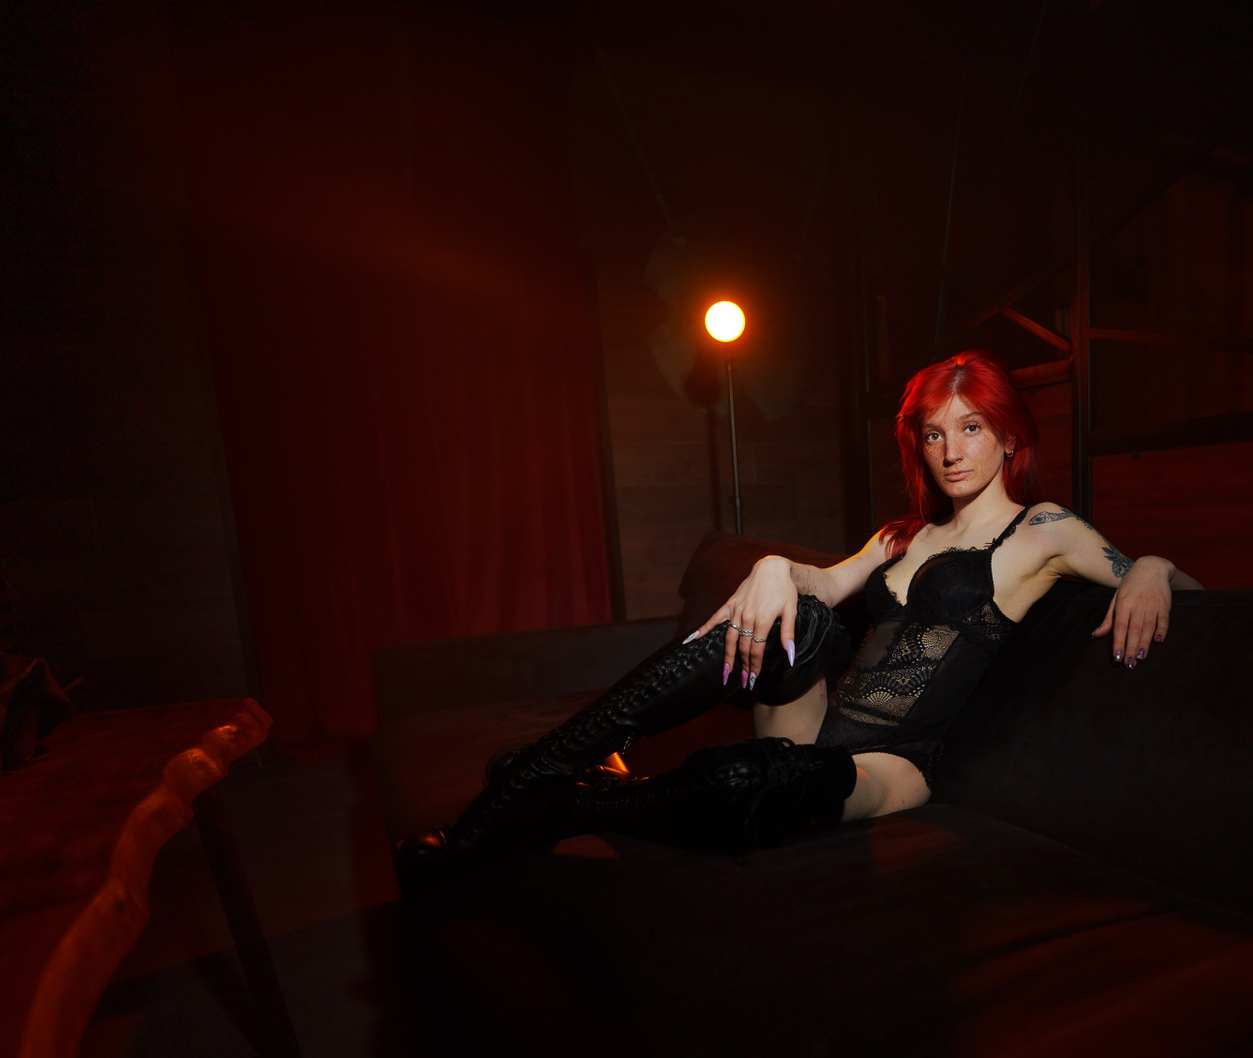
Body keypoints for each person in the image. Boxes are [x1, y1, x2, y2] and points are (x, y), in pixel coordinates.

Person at [394, 350, 1202, 896]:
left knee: (744, 782)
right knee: (803, 615)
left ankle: (564, 799)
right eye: (933, 434)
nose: (951, 451)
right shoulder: (903, 537)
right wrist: (775, 568)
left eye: (970, 429)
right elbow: (825, 583)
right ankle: (534, 781)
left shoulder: (1044, 531)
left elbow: (1194, 591)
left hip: (898, 765)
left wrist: (1154, 567)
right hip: (814, 725)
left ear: (1007, 435)